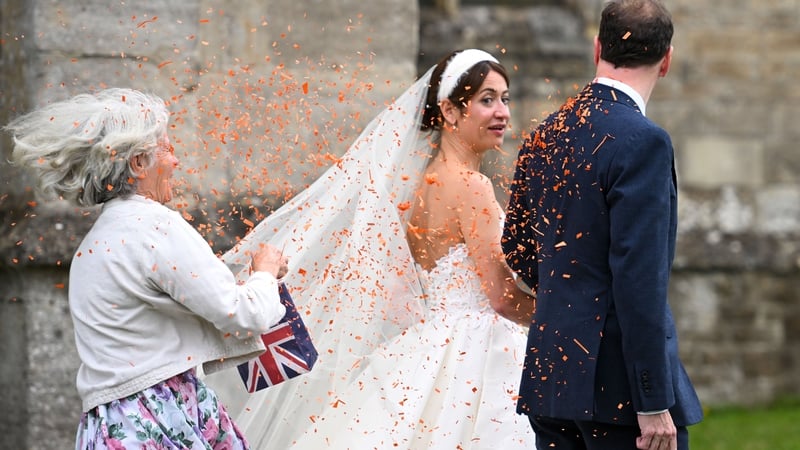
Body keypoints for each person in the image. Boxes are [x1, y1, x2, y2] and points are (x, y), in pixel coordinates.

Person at [205, 49, 536, 449]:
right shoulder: (473, 186)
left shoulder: (419, 184)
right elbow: (500, 298)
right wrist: (558, 317)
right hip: (478, 351)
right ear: (449, 111)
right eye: (487, 99)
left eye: (505, 98)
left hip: (429, 342)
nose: (502, 112)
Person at [5, 88, 289, 450]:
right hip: (158, 414)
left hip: (106, 422)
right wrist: (264, 273)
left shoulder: (93, 244)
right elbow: (243, 313)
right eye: (168, 149)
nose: (177, 161)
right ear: (139, 163)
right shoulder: (153, 226)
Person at [502, 1, 703, 449]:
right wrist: (651, 401)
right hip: (619, 393)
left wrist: (568, 302)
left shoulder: (544, 133)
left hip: (551, 377)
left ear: (597, 48)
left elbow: (515, 247)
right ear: (666, 60)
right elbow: (640, 280)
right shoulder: (644, 142)